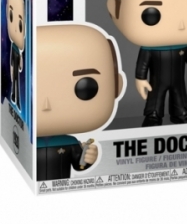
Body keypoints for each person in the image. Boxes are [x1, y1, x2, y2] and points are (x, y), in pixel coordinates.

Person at [36, 24, 124, 181]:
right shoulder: (25, 141)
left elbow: (79, 166)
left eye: (85, 87)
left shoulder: (69, 142)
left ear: (116, 86)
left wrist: (88, 157)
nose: (46, 105)